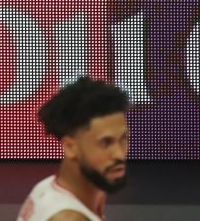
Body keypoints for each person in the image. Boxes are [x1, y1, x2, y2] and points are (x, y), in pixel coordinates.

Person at [17, 77, 130, 221]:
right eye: (105, 143)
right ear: (70, 147)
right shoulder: (69, 218)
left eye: (123, 138)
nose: (119, 154)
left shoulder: (47, 187)